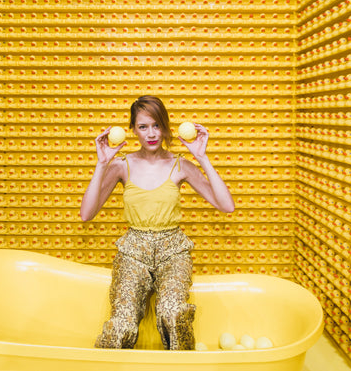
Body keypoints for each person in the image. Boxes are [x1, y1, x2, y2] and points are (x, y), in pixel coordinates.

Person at [80, 95, 235, 350]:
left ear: (165, 127)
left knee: (173, 313)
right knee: (122, 324)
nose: (151, 134)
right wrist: (101, 163)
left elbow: (226, 206)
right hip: (133, 251)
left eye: (156, 125)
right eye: (143, 127)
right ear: (133, 130)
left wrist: (203, 157)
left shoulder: (180, 165)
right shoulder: (122, 165)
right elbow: (87, 214)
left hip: (172, 251)